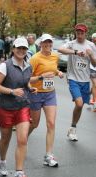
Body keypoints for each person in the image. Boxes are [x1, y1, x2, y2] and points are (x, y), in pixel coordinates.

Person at [0, 37, 40, 177]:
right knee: (5, 139)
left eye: (24, 48)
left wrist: (29, 88)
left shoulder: (28, 66)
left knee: (22, 139)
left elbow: (25, 81)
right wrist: (12, 91)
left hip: (22, 107)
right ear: (13, 49)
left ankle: (19, 173)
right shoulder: (5, 66)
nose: (21, 51)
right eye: (18, 48)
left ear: (27, 50)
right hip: (5, 107)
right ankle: (2, 160)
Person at [29, 33, 64, 167]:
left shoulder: (55, 56)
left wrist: (58, 72)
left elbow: (53, 69)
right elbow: (27, 79)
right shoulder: (35, 58)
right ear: (41, 44)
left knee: (51, 123)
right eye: (45, 43)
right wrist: (41, 77)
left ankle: (48, 155)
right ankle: (23, 139)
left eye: (50, 43)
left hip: (50, 93)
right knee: (35, 124)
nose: (48, 45)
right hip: (36, 93)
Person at [58, 23, 96, 141]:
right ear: (76, 33)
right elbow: (60, 49)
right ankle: (73, 128)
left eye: (82, 33)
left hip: (85, 80)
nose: (79, 35)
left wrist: (90, 55)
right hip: (73, 78)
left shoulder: (90, 45)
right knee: (79, 103)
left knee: (80, 106)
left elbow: (95, 64)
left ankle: (73, 128)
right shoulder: (71, 44)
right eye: (78, 33)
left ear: (86, 33)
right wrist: (75, 52)